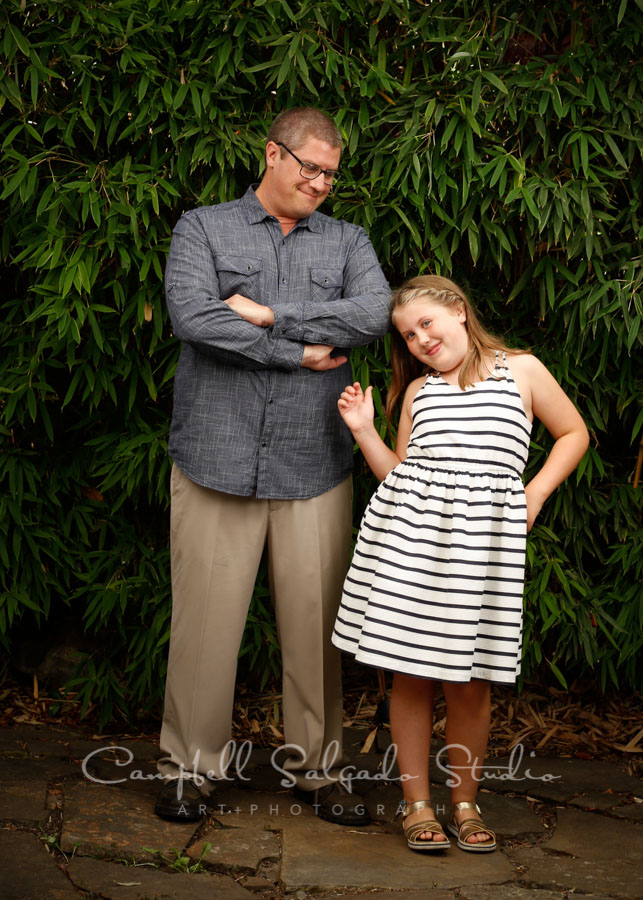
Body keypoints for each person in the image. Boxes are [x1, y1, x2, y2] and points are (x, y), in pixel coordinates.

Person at [155, 107, 390, 825]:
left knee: (316, 628)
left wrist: (263, 315)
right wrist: (297, 351)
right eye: (309, 167)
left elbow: (371, 314)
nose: (320, 183)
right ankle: (186, 769)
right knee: (204, 629)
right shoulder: (202, 228)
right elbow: (195, 318)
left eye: (330, 174)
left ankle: (318, 772)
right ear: (271, 154)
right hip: (213, 456)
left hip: (312, 462)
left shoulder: (348, 240)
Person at [331, 274, 589, 851]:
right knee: (411, 674)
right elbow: (398, 475)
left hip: (481, 551)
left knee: (470, 680)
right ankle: (417, 803)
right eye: (407, 334)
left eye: (426, 323)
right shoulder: (419, 393)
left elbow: (573, 432)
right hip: (409, 547)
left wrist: (535, 493)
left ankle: (465, 804)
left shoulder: (520, 369)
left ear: (458, 310)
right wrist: (364, 430)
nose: (419, 339)